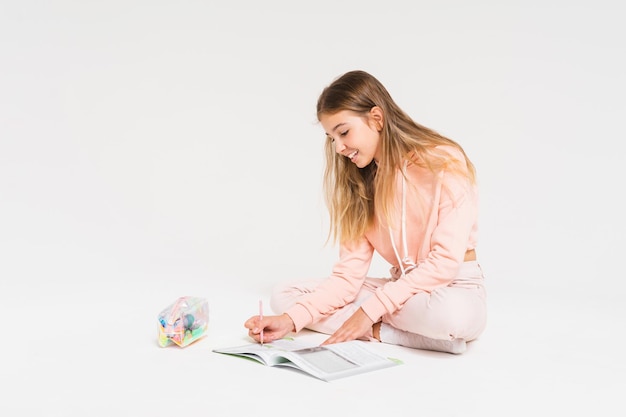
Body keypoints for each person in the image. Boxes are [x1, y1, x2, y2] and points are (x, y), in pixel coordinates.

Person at [244, 70, 486, 354]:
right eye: (331, 138)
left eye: (343, 132)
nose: (338, 148)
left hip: (454, 287)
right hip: (403, 292)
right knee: (285, 296)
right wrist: (290, 321)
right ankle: (400, 335)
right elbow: (348, 278)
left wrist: (369, 310)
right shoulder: (360, 184)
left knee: (451, 315)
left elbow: (445, 263)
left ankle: (384, 326)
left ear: (377, 118)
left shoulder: (442, 160)